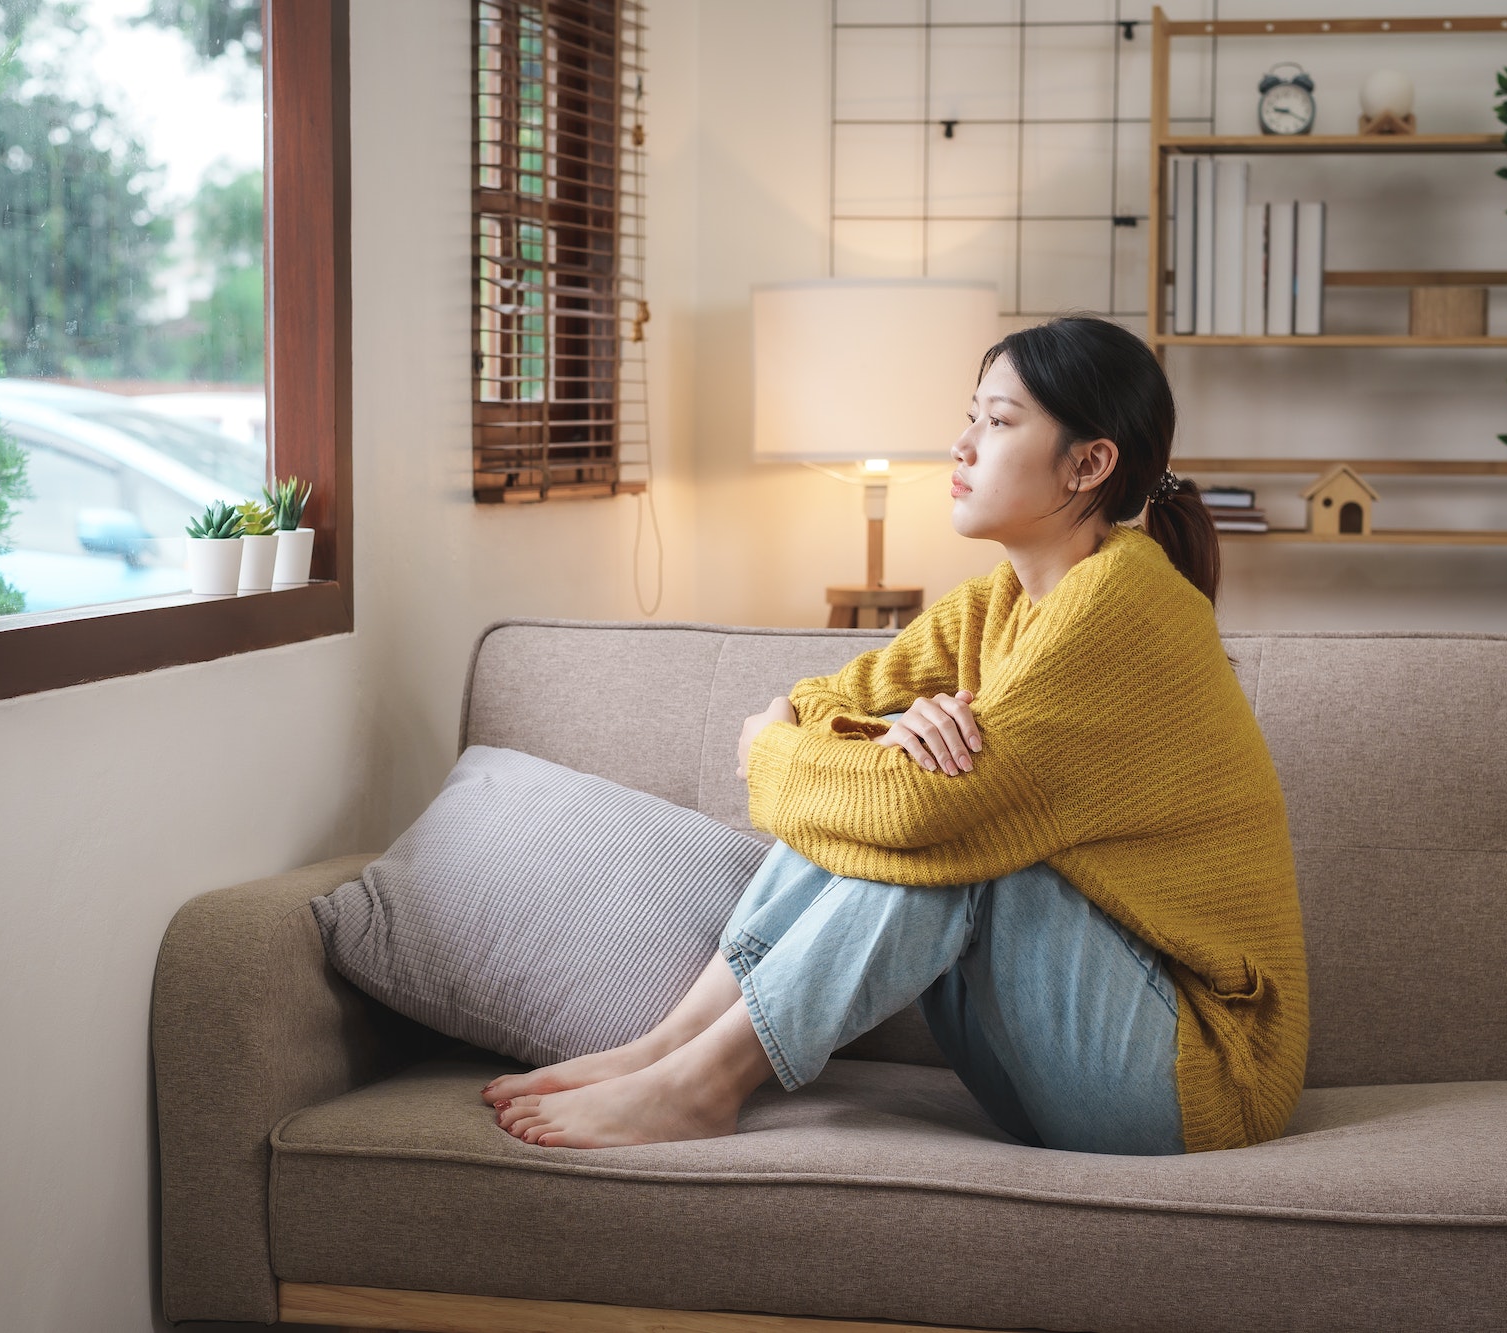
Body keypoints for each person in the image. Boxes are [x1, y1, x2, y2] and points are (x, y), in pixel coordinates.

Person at [483, 314, 1307, 1155]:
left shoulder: (1126, 603)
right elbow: (815, 702)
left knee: (952, 826)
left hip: (1192, 1084)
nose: (961, 444)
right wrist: (872, 738)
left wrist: (769, 752)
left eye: (998, 420)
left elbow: (892, 799)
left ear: (1089, 463)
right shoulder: (997, 602)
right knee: (897, 762)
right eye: (971, 415)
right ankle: (668, 1048)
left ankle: (702, 1085)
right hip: (1044, 1067)